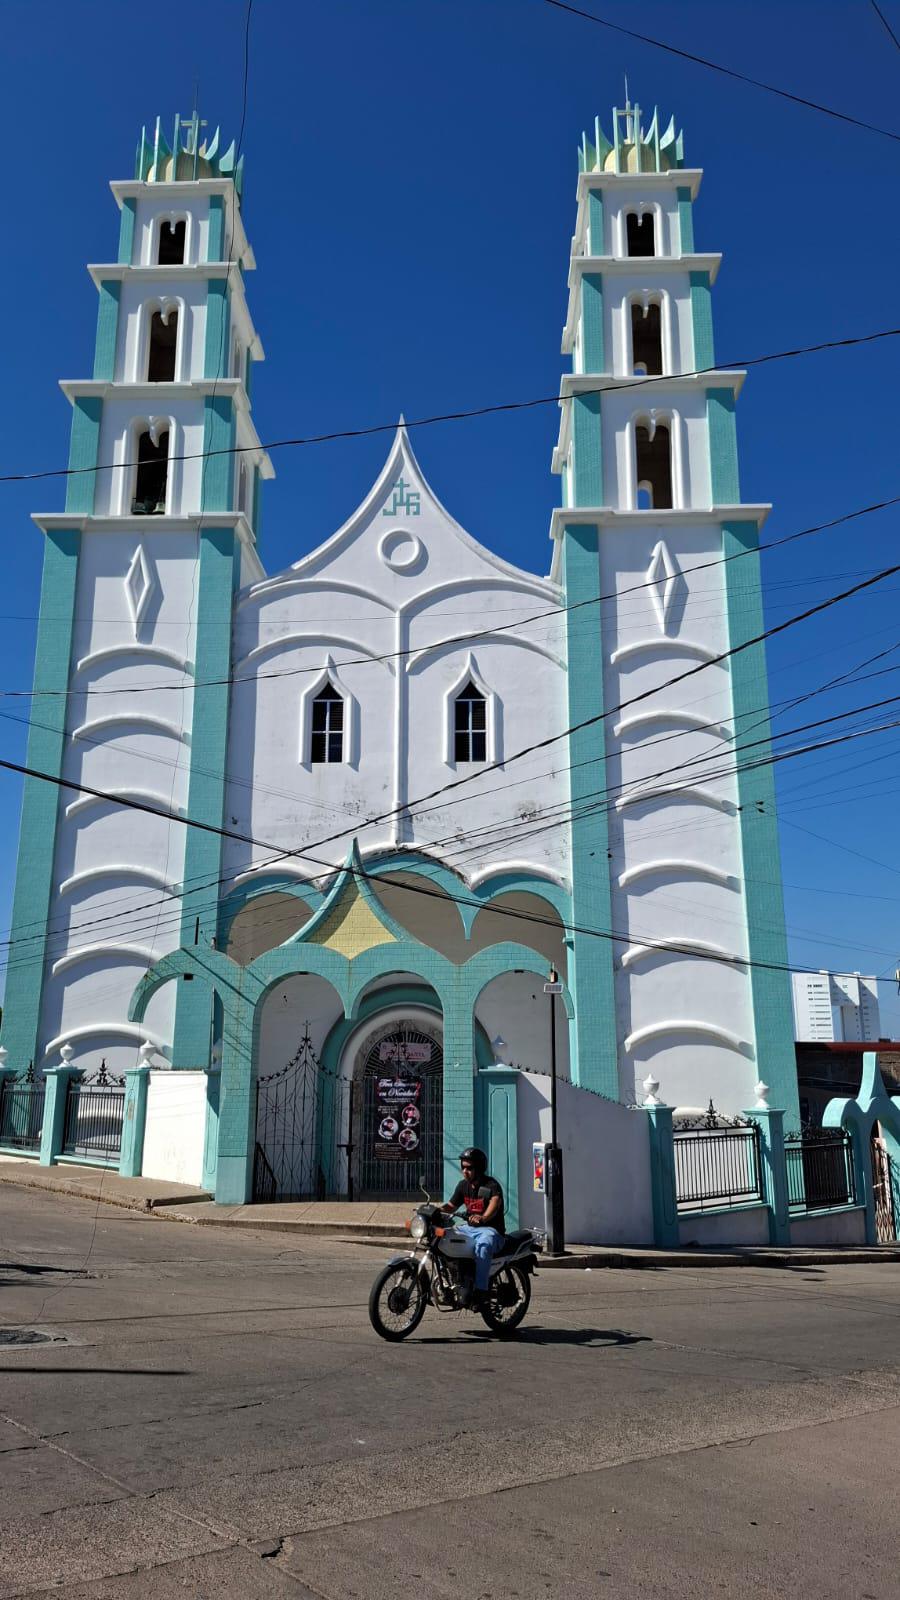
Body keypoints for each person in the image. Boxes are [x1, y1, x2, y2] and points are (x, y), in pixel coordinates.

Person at [443, 1148, 506, 1304]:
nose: (465, 1171)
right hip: (469, 1229)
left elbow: (495, 1203)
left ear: (479, 1168)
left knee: (484, 1246)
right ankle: (449, 1283)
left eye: (469, 1168)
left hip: (491, 1231)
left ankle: (481, 1291)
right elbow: (451, 1206)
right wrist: (434, 1211)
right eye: (463, 1167)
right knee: (443, 1237)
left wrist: (484, 1217)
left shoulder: (490, 1184)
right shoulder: (462, 1186)